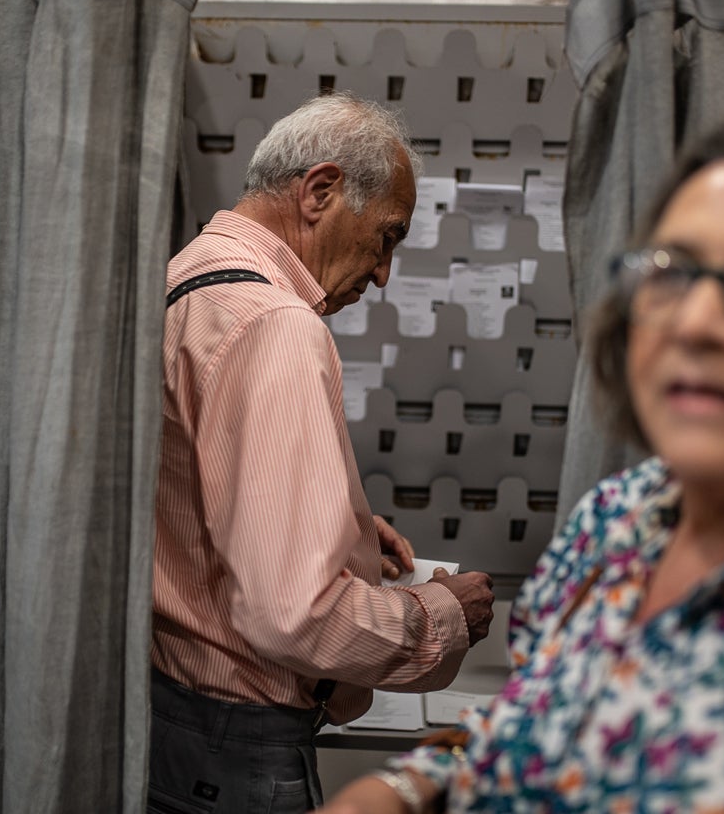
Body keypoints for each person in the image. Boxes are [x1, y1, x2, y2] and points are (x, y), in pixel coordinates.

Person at [317, 110, 724, 813]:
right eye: (670, 273)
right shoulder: (613, 521)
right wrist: (399, 788)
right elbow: (534, 722)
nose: (696, 323)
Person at [149, 92, 496, 814]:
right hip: (235, 745)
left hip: (171, 716)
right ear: (321, 191)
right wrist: (440, 619)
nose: (381, 275)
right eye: (387, 238)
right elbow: (292, 614)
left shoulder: (187, 279)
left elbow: (189, 495)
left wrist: (337, 527)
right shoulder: (274, 325)